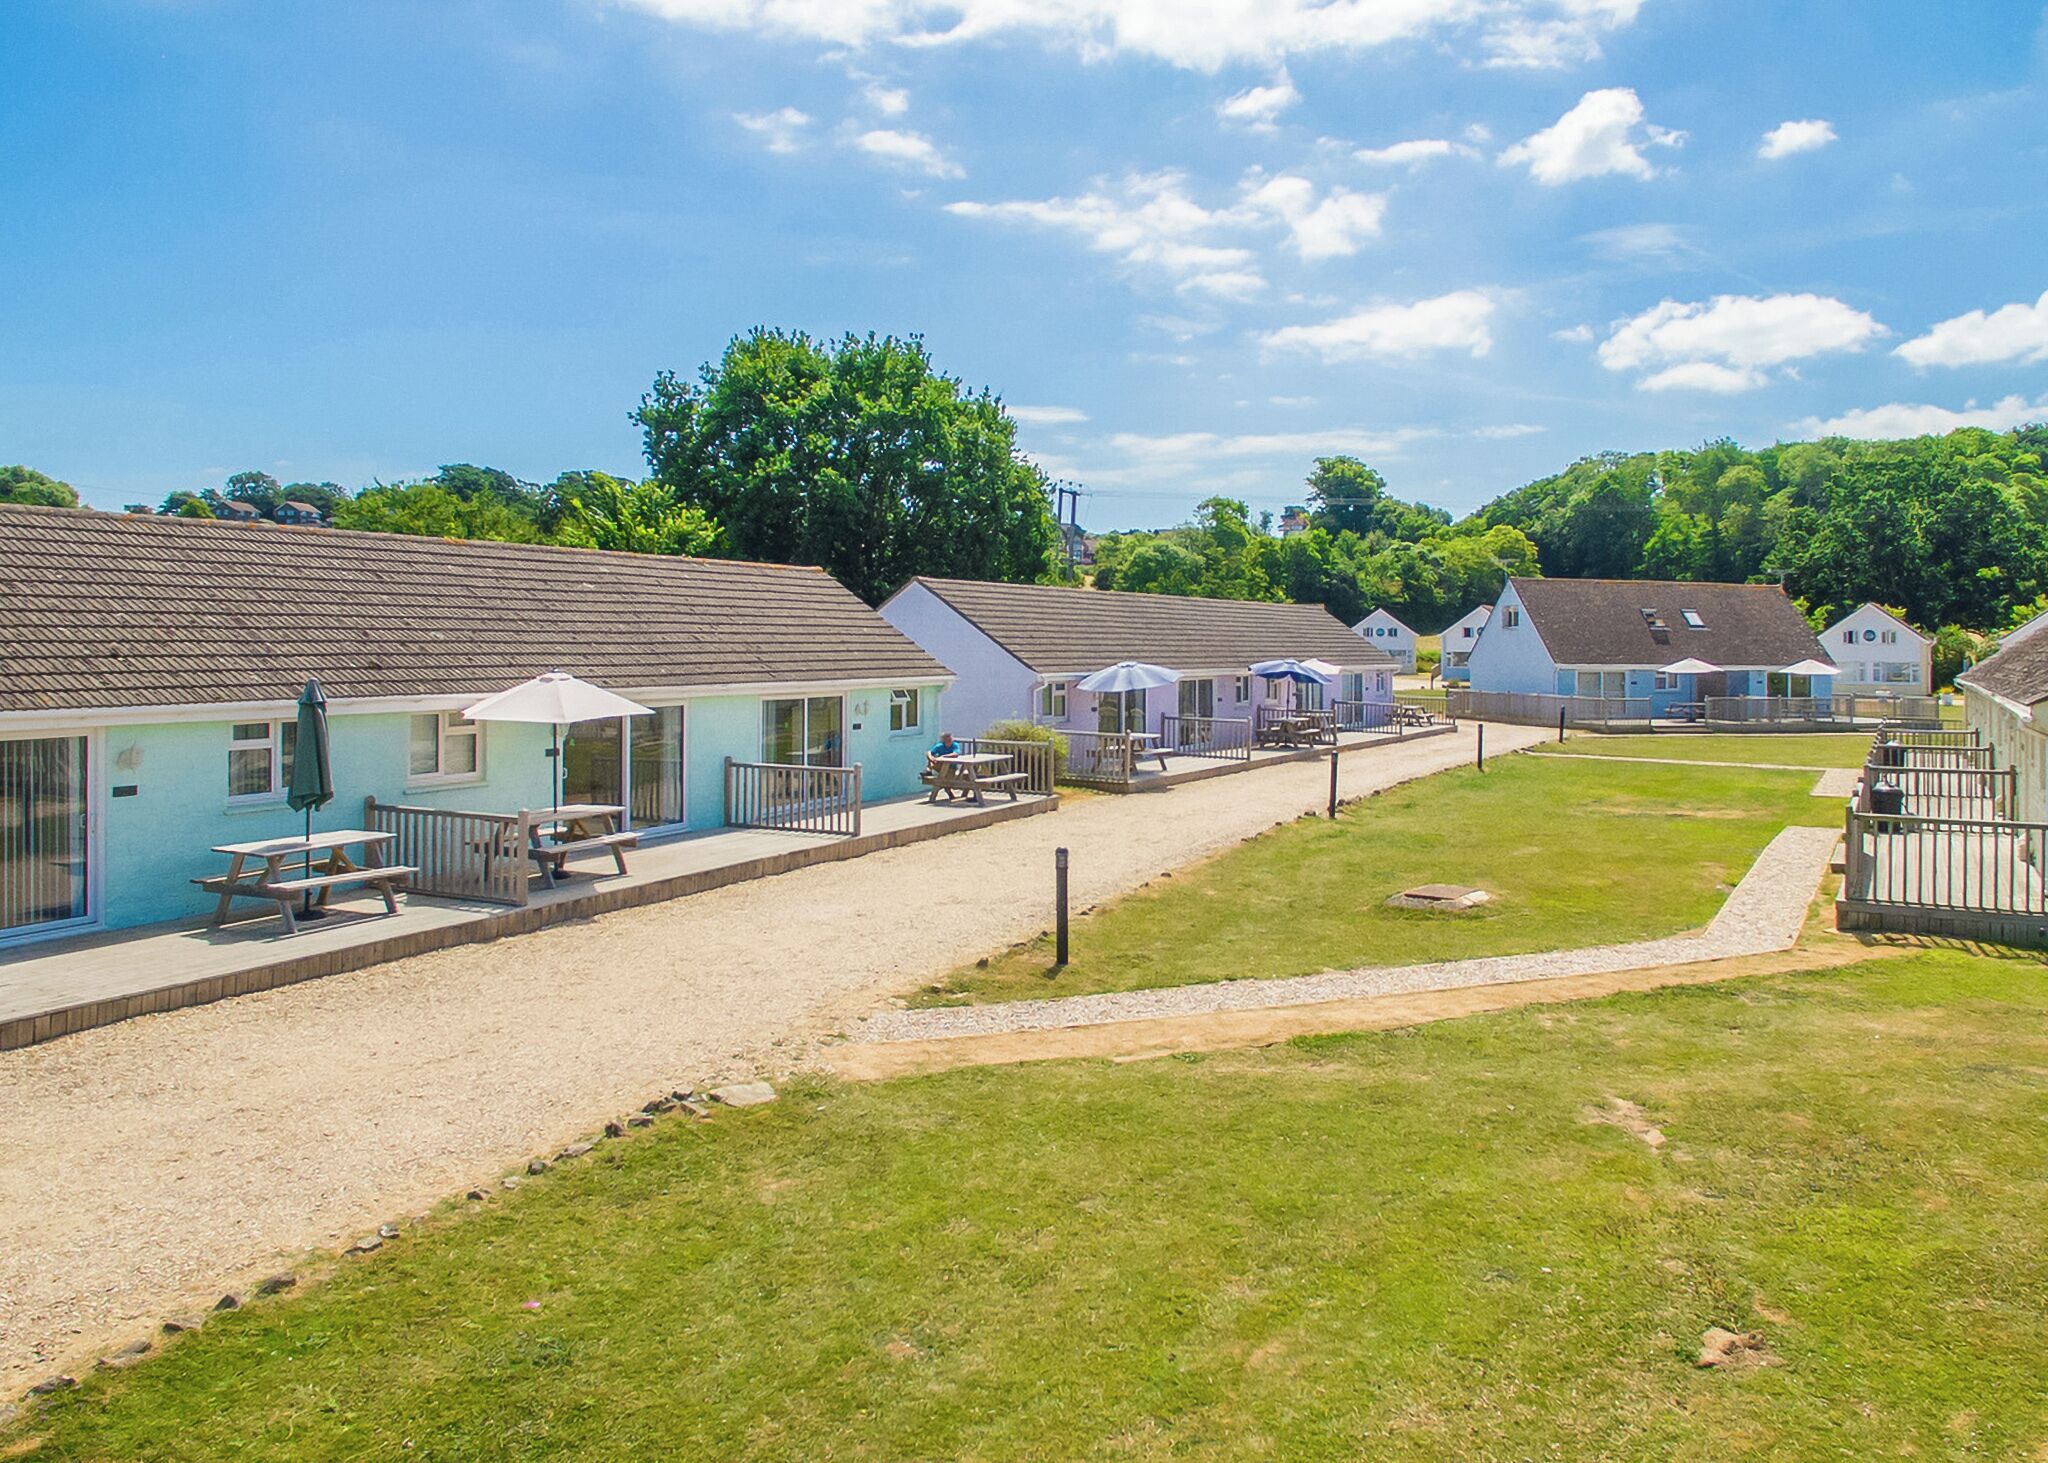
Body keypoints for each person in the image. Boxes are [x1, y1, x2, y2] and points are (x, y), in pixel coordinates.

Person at [927, 731, 961, 799]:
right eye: (947, 740)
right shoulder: (940, 746)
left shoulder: (955, 745)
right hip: (940, 766)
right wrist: (931, 757)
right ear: (943, 740)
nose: (949, 741)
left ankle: (948, 794)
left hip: (951, 768)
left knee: (946, 781)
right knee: (933, 760)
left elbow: (955, 754)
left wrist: (943, 756)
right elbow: (929, 752)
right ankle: (928, 770)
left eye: (950, 739)